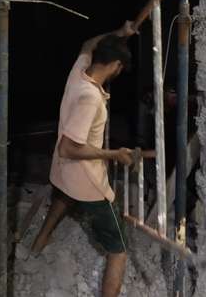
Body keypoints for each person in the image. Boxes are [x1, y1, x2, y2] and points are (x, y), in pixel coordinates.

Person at [32, 22, 136, 297]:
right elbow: (69, 148)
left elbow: (87, 44)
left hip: (63, 173)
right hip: (87, 181)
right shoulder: (90, 97)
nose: (119, 72)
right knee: (119, 248)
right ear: (114, 65)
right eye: (119, 68)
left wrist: (120, 33)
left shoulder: (78, 73)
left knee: (64, 197)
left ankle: (38, 243)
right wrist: (113, 154)